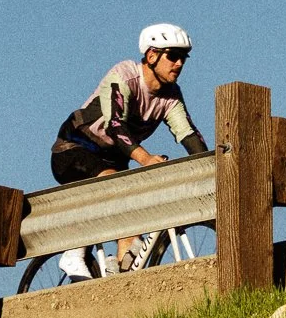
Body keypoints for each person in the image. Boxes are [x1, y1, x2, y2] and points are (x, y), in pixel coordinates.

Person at [47, 22, 209, 277]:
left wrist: (209, 168)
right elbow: (114, 125)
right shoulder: (125, 75)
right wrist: (145, 159)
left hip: (114, 159)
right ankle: (74, 253)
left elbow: (187, 133)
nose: (179, 64)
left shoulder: (171, 96)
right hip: (73, 150)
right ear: (152, 55)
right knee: (114, 183)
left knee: (134, 223)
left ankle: (121, 280)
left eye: (183, 59)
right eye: (173, 57)